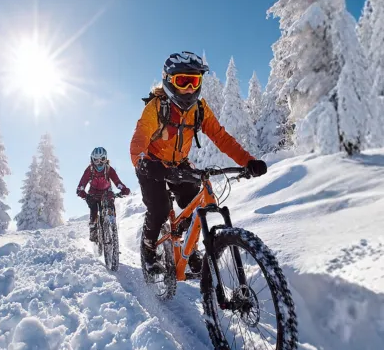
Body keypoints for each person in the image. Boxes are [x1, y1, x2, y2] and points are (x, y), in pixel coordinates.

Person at [129, 51, 268, 276]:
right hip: (152, 164)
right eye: (182, 82)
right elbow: (139, 139)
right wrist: (143, 161)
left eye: (194, 82)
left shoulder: (199, 109)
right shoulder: (156, 107)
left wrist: (248, 161)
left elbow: (221, 138)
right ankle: (148, 249)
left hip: (179, 163)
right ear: (168, 81)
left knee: (194, 202)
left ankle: (189, 248)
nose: (189, 89)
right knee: (160, 208)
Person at [76, 147, 131, 241]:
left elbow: (117, 182)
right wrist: (81, 192)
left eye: (102, 159)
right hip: (93, 193)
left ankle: (112, 223)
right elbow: (82, 183)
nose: (100, 162)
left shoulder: (109, 169)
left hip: (107, 192)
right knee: (93, 209)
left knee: (110, 205)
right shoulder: (90, 169)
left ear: (106, 159)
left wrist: (123, 189)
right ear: (92, 160)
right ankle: (93, 230)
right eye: (96, 160)